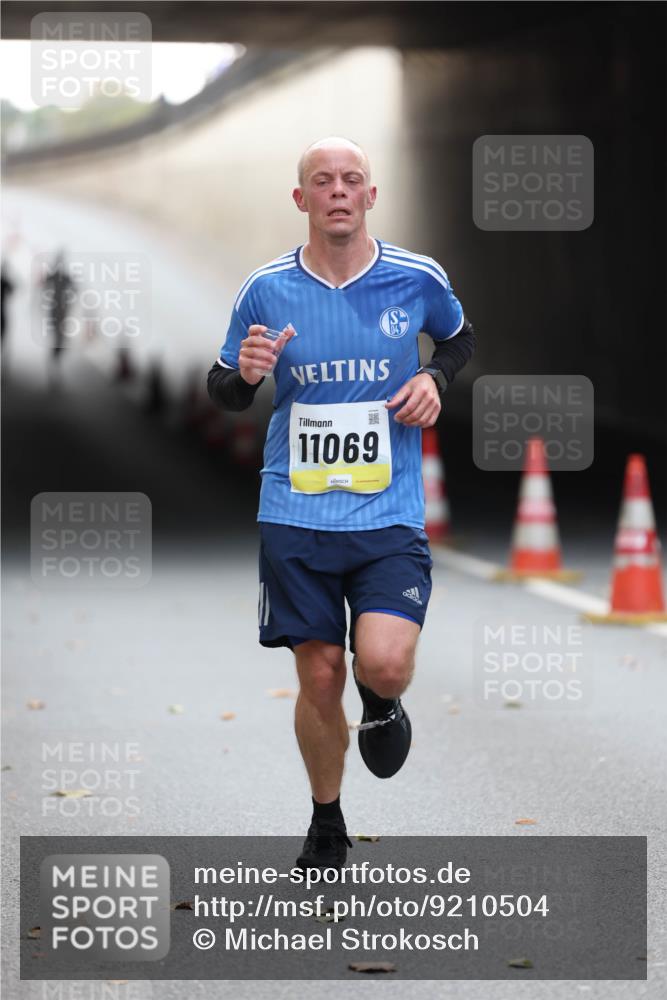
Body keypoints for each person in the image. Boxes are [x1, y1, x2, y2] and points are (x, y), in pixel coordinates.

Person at [208, 137, 475, 874]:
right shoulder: (266, 289)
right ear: (301, 199)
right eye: (321, 181)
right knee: (320, 674)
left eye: (351, 179)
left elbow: (458, 339)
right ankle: (326, 819)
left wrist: (434, 380)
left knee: (381, 663)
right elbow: (224, 386)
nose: (337, 191)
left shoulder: (415, 278)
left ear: (369, 196)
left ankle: (382, 701)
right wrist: (245, 375)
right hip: (295, 512)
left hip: (388, 511)